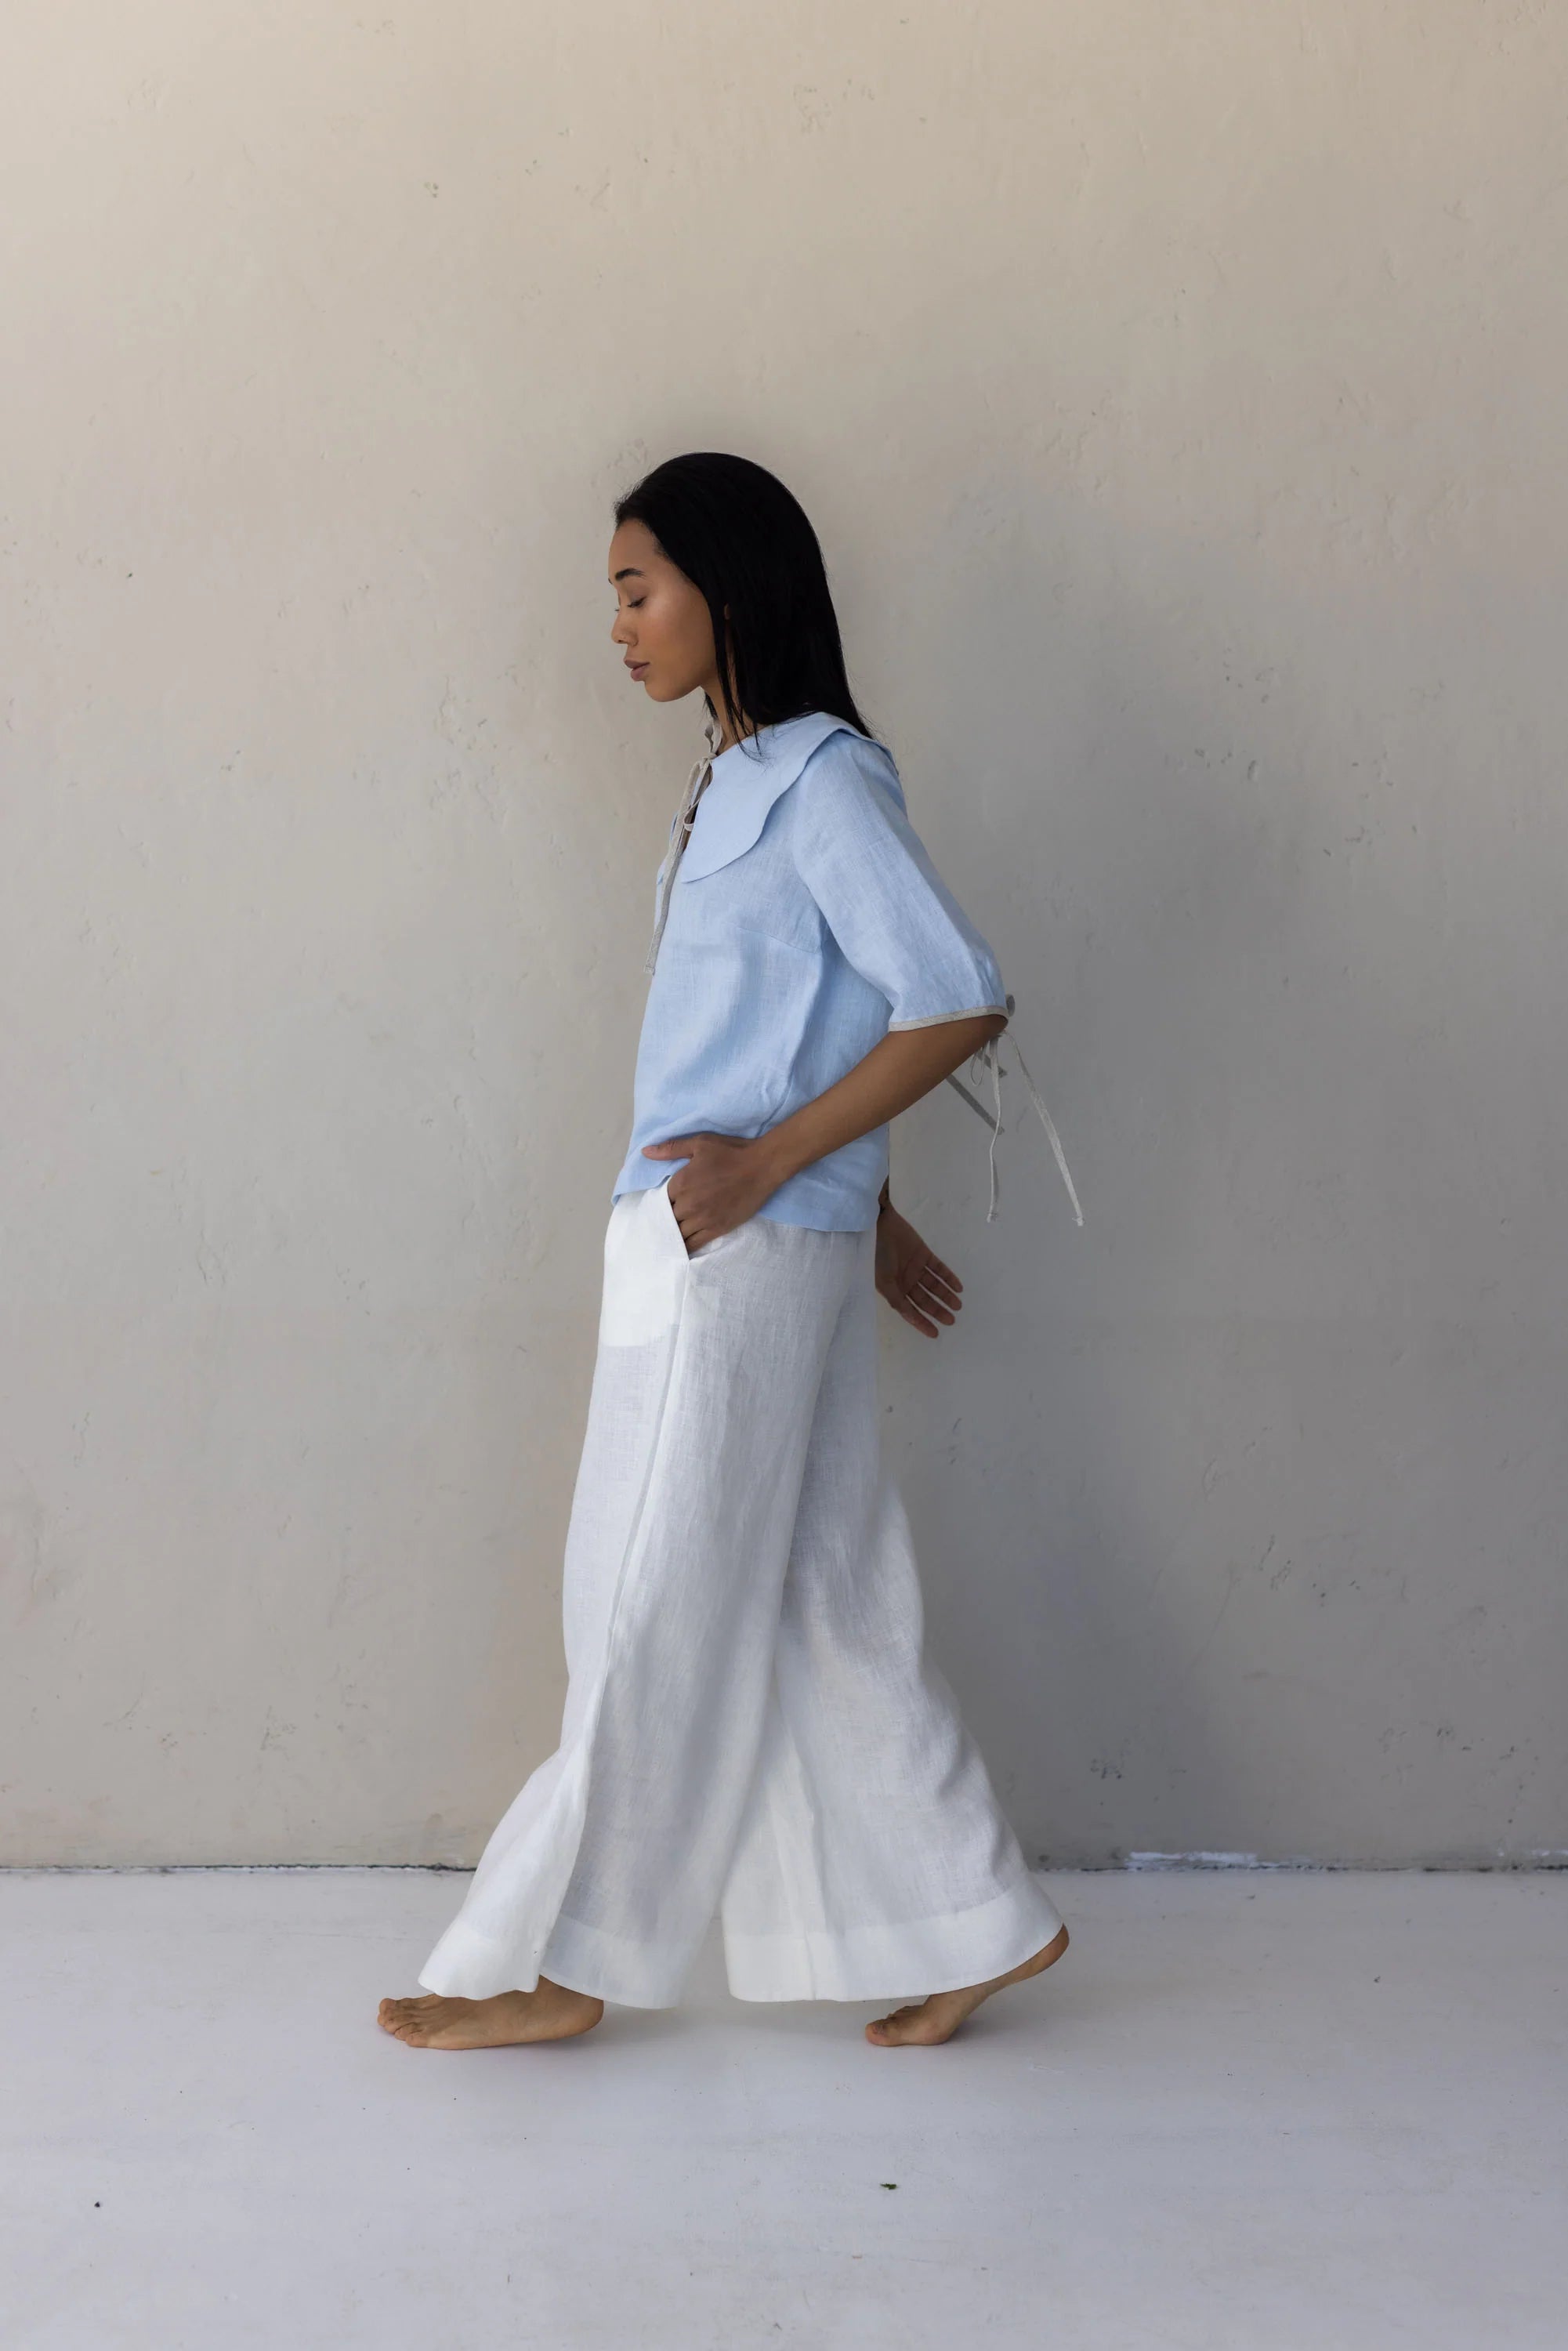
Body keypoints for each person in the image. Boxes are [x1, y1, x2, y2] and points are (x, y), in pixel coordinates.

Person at [378, 451, 1076, 2055]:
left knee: (644, 1595)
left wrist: (776, 1168)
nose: (618, 627)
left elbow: (954, 994)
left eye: (637, 591)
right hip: (759, 1238)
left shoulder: (819, 780)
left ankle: (563, 1963)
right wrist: (860, 1204)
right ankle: (979, 1918)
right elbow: (814, 1021)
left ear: (726, 585)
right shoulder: (737, 781)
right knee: (826, 1595)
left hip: (728, 1248)